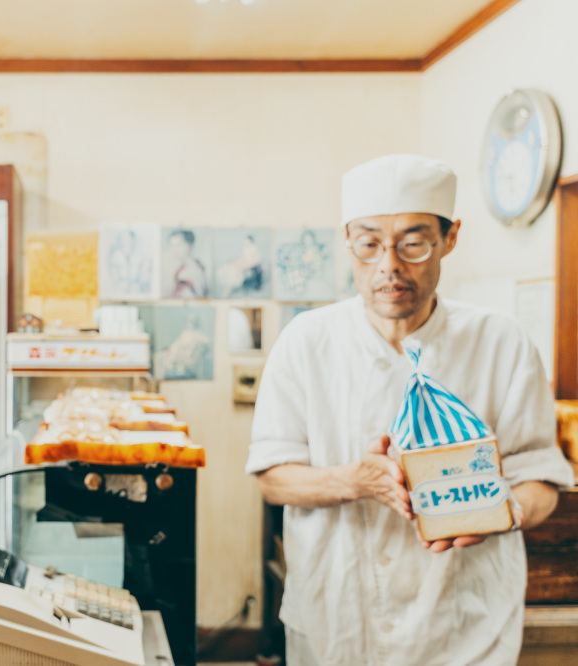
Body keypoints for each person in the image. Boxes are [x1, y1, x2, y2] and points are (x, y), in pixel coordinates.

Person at [246, 154, 574, 666]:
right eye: (369, 243)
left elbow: (541, 481)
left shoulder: (501, 342)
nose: (389, 266)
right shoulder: (306, 341)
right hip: (337, 613)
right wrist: (355, 480)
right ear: (347, 240)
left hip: (466, 620)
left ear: (450, 237)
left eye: (413, 243)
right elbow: (272, 478)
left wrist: (507, 511)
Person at [165, 229, 208, 298]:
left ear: (189, 245)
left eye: (179, 245)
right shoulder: (178, 267)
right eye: (172, 245)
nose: (174, 249)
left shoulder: (195, 268)